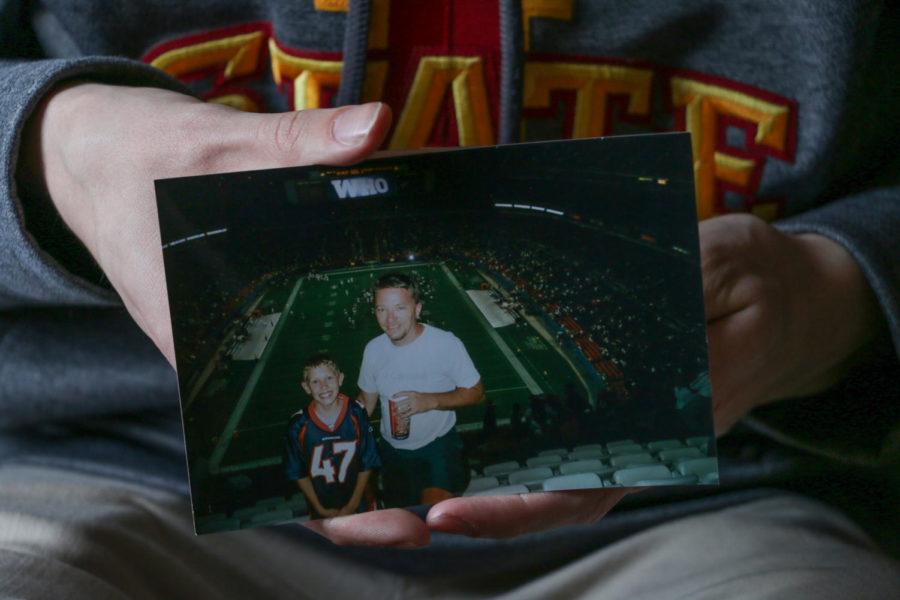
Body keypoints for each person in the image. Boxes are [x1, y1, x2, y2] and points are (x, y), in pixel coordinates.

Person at [1, 1, 899, 597]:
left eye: (397, 310)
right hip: (112, 470)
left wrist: (833, 293)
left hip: (714, 503)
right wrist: (49, 149)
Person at [357, 273, 483, 507]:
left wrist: (430, 401)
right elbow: (367, 401)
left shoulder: (445, 344)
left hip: (437, 448)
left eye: (399, 308)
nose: (390, 319)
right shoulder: (373, 350)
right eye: (381, 309)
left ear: (417, 309)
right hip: (392, 451)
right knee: (403, 522)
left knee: (433, 514)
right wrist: (338, 422)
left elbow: (475, 391)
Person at [284, 354, 380, 519]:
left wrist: (353, 504)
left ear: (340, 378)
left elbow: (367, 463)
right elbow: (298, 473)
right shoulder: (298, 425)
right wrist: (319, 508)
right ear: (306, 387)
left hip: (360, 502)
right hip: (323, 506)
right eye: (315, 381)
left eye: (329, 378)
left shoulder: (356, 413)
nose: (324, 386)